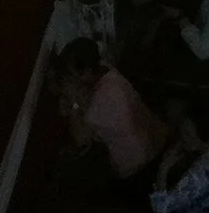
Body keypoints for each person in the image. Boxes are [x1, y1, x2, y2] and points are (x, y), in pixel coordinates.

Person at [56, 39, 165, 181]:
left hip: (136, 164)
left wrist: (73, 102)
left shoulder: (102, 99)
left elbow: (80, 139)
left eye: (73, 74)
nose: (71, 78)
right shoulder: (105, 70)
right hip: (151, 139)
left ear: (87, 72)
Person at [148, 101, 209, 213]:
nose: (183, 137)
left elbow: (161, 208)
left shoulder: (198, 175)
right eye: (182, 130)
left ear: (205, 138)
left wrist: (163, 168)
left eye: (188, 134)